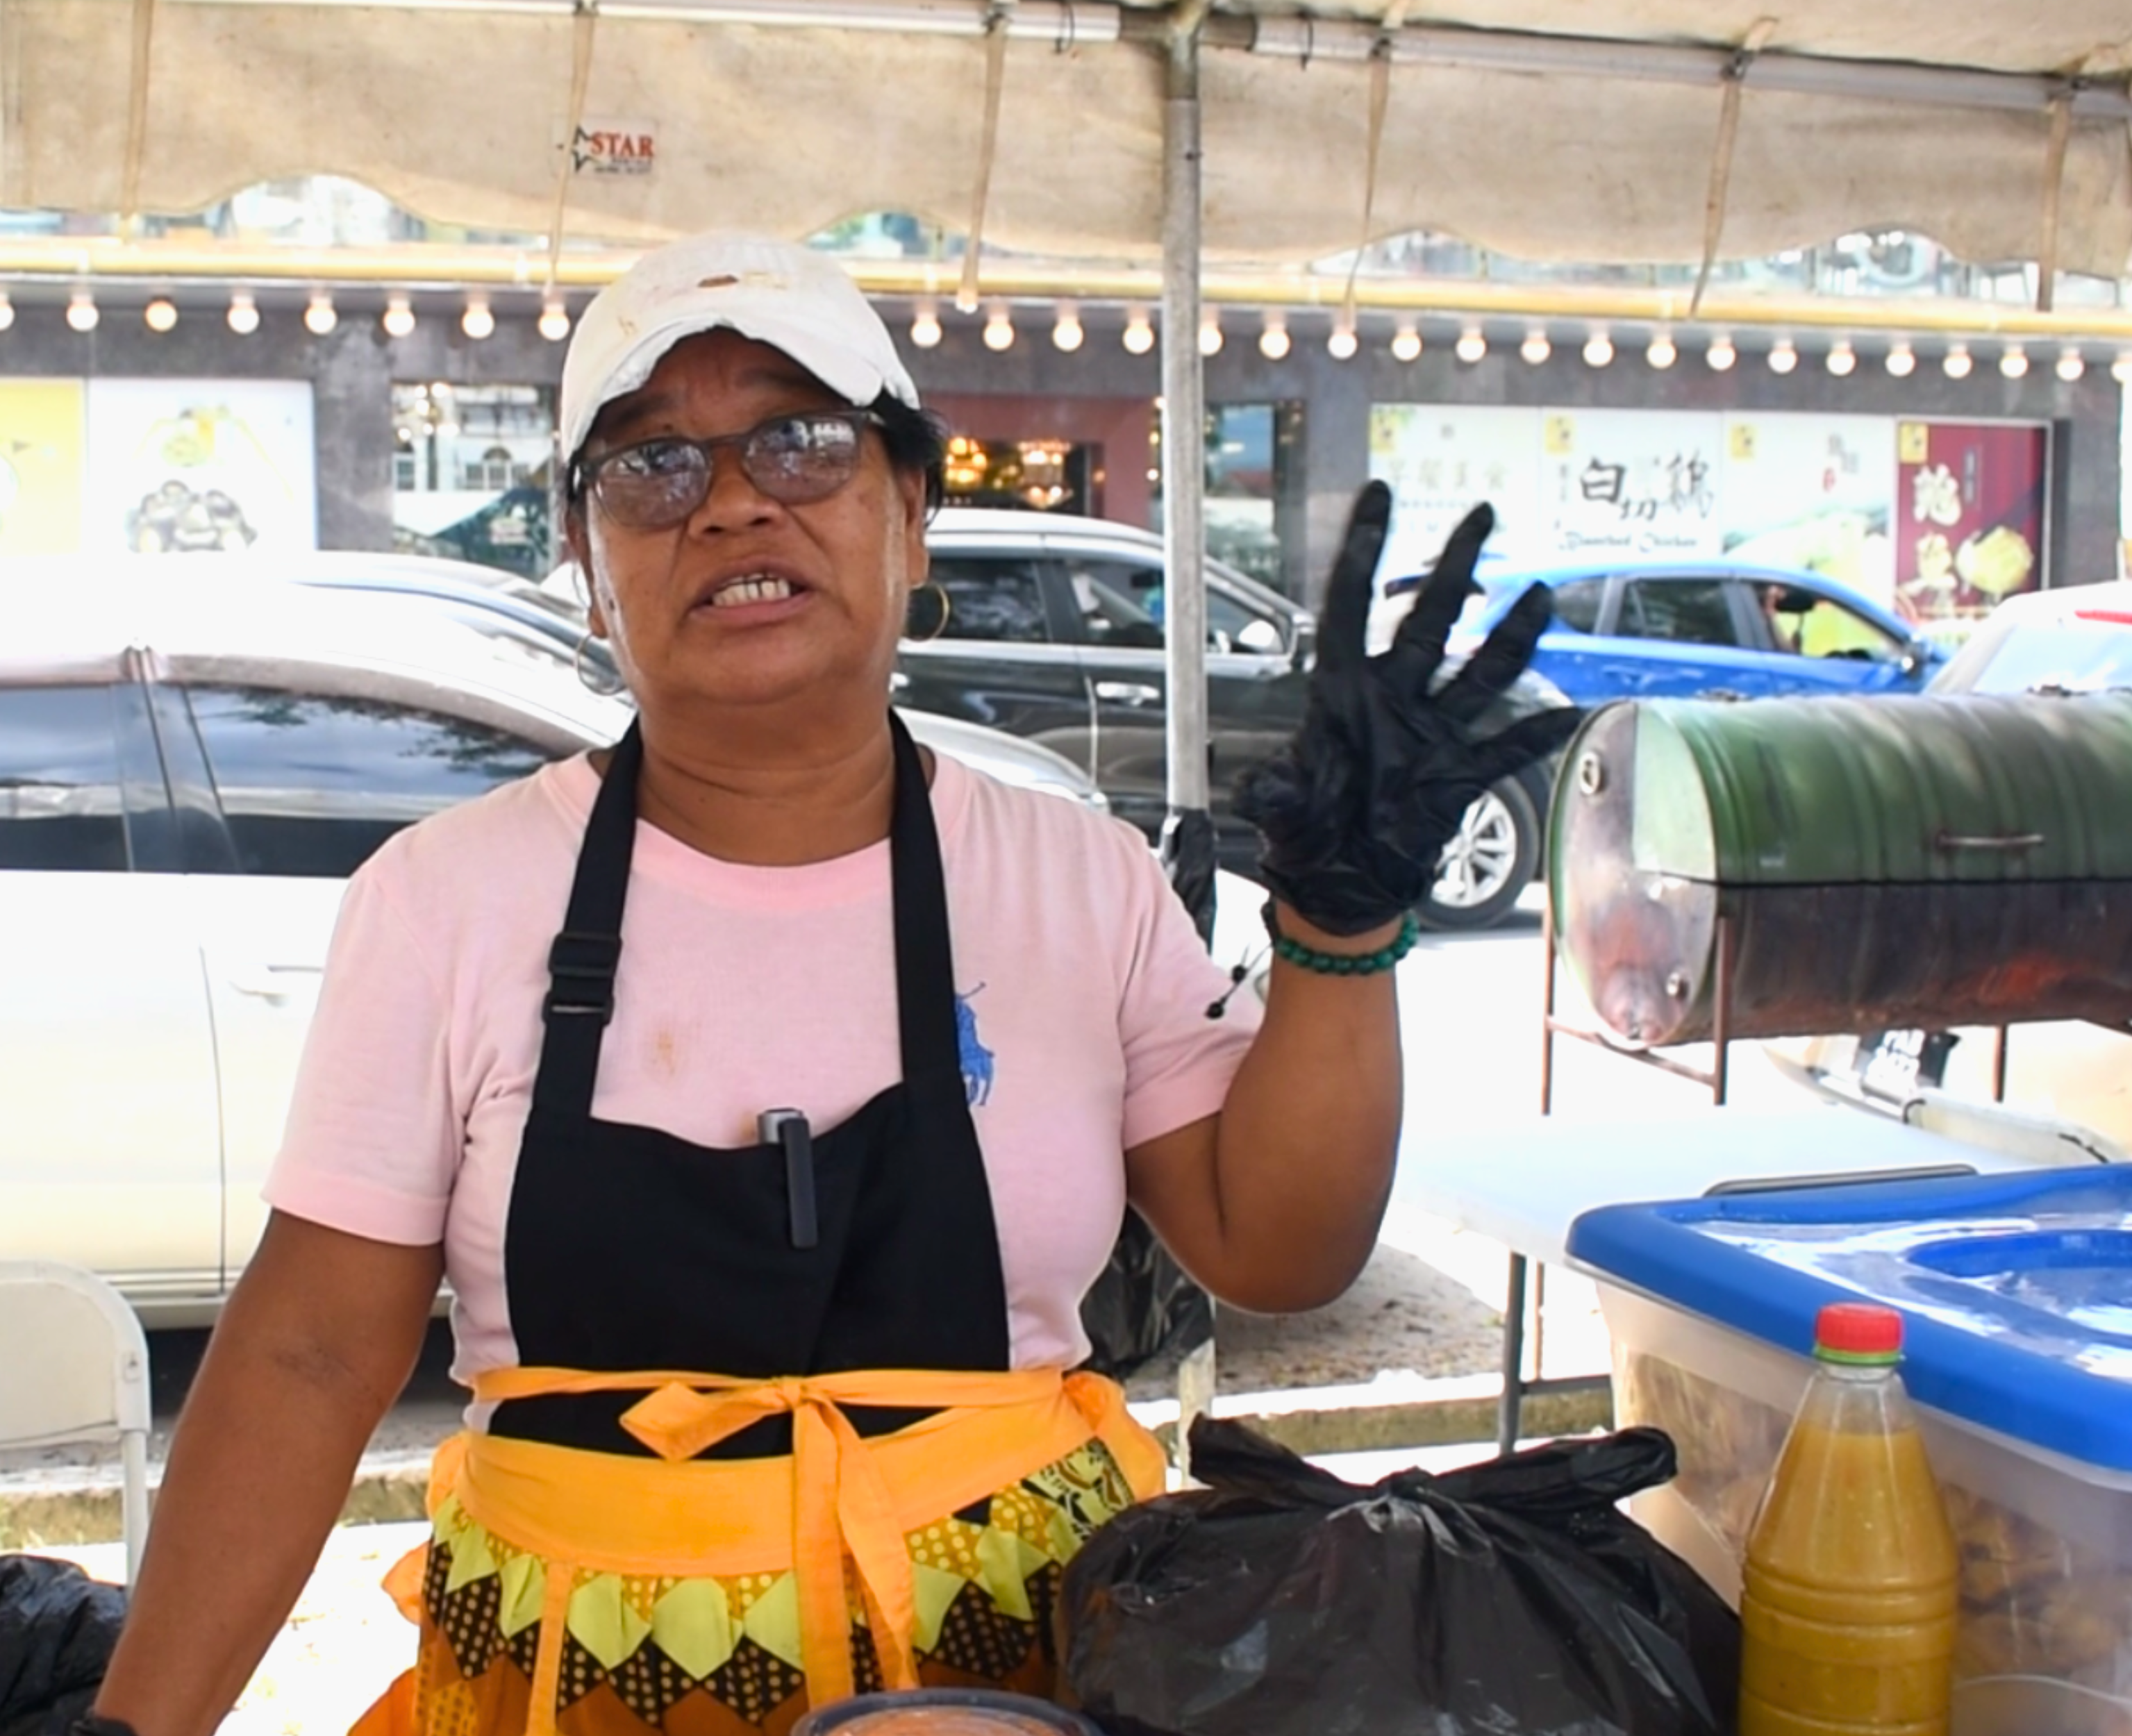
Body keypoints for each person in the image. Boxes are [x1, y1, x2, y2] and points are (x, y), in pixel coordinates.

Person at [81, 233, 1576, 1736]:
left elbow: (1281, 1245)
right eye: (651, 465)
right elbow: (307, 1351)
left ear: (912, 515)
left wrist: (1338, 922)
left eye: (800, 440)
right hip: (574, 1690)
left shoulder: (1078, 877)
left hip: (1009, 1681)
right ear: (591, 574)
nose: (731, 497)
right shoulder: (445, 900)